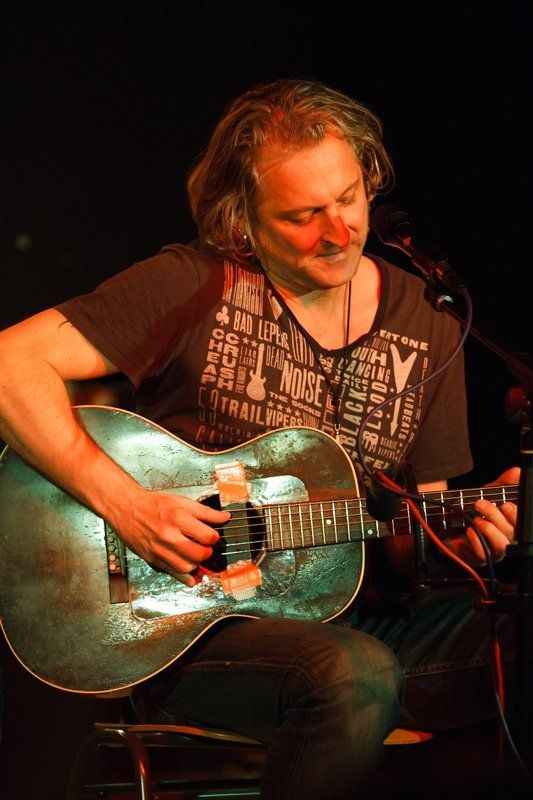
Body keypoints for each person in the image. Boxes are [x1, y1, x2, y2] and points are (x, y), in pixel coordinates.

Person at [0, 79, 518, 798]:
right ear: (241, 218)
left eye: (347, 199)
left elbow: (411, 534)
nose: (338, 231)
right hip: (185, 627)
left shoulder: (429, 321)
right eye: (303, 216)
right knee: (352, 671)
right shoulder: (192, 282)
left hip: (364, 621)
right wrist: (129, 506)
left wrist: (461, 535)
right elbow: (11, 363)